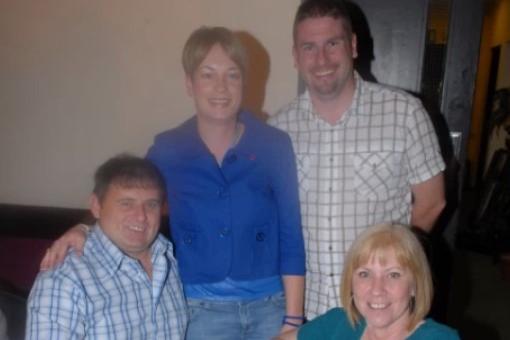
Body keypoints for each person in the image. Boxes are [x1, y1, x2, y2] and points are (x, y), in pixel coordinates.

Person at [40, 27, 306, 339]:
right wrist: (84, 227)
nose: (221, 86)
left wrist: (293, 319)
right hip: (199, 311)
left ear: (244, 82)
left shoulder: (273, 144)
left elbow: (291, 232)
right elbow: (127, 194)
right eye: (208, 74)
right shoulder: (169, 148)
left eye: (232, 75)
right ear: (189, 84)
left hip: (270, 308)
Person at [268, 0, 446, 318]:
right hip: (307, 311)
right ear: (295, 56)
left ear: (352, 45)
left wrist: (394, 274)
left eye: (332, 44)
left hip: (381, 312)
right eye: (309, 47)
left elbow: (432, 202)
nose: (321, 59)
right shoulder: (278, 130)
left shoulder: (404, 113)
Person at [26, 155, 188, 339]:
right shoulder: (64, 279)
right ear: (96, 206)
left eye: (151, 204)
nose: (141, 216)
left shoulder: (168, 259)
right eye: (126, 204)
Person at [276, 223, 460, 340]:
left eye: (393, 275)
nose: (377, 289)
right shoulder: (340, 322)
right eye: (364, 274)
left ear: (415, 285)